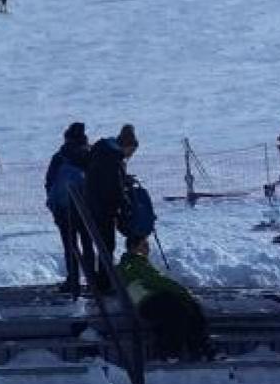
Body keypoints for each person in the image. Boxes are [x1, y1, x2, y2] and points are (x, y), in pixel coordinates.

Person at [119, 235, 214, 361]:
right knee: (180, 309)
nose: (148, 249)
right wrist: (183, 291)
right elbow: (157, 281)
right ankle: (172, 352)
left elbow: (156, 282)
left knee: (190, 307)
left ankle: (201, 349)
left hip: (155, 300)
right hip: (147, 302)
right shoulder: (132, 263)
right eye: (144, 245)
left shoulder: (137, 263)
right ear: (133, 248)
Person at [85, 124, 138, 290]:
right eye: (131, 151)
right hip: (103, 207)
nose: (130, 155)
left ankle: (102, 280)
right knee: (107, 245)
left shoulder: (104, 151)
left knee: (103, 244)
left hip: (94, 203)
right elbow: (113, 187)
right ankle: (104, 282)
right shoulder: (113, 158)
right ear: (127, 145)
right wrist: (124, 203)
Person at [45, 122, 94, 293]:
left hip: (64, 210)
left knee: (70, 244)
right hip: (86, 208)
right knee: (88, 243)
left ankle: (73, 280)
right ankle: (92, 279)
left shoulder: (60, 156)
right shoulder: (90, 154)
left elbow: (49, 182)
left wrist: (54, 205)